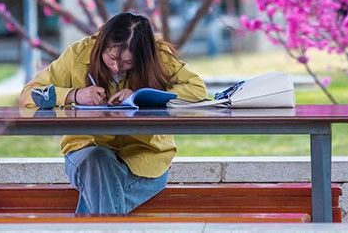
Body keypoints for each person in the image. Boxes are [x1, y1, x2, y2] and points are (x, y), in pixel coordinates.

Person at [19, 12, 208, 215]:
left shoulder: (158, 55)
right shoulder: (78, 54)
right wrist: (74, 95)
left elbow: (198, 91)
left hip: (146, 161)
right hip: (87, 154)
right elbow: (29, 95)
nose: (117, 67)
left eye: (128, 63)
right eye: (112, 57)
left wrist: (142, 96)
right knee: (99, 159)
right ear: (101, 44)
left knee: (99, 191)